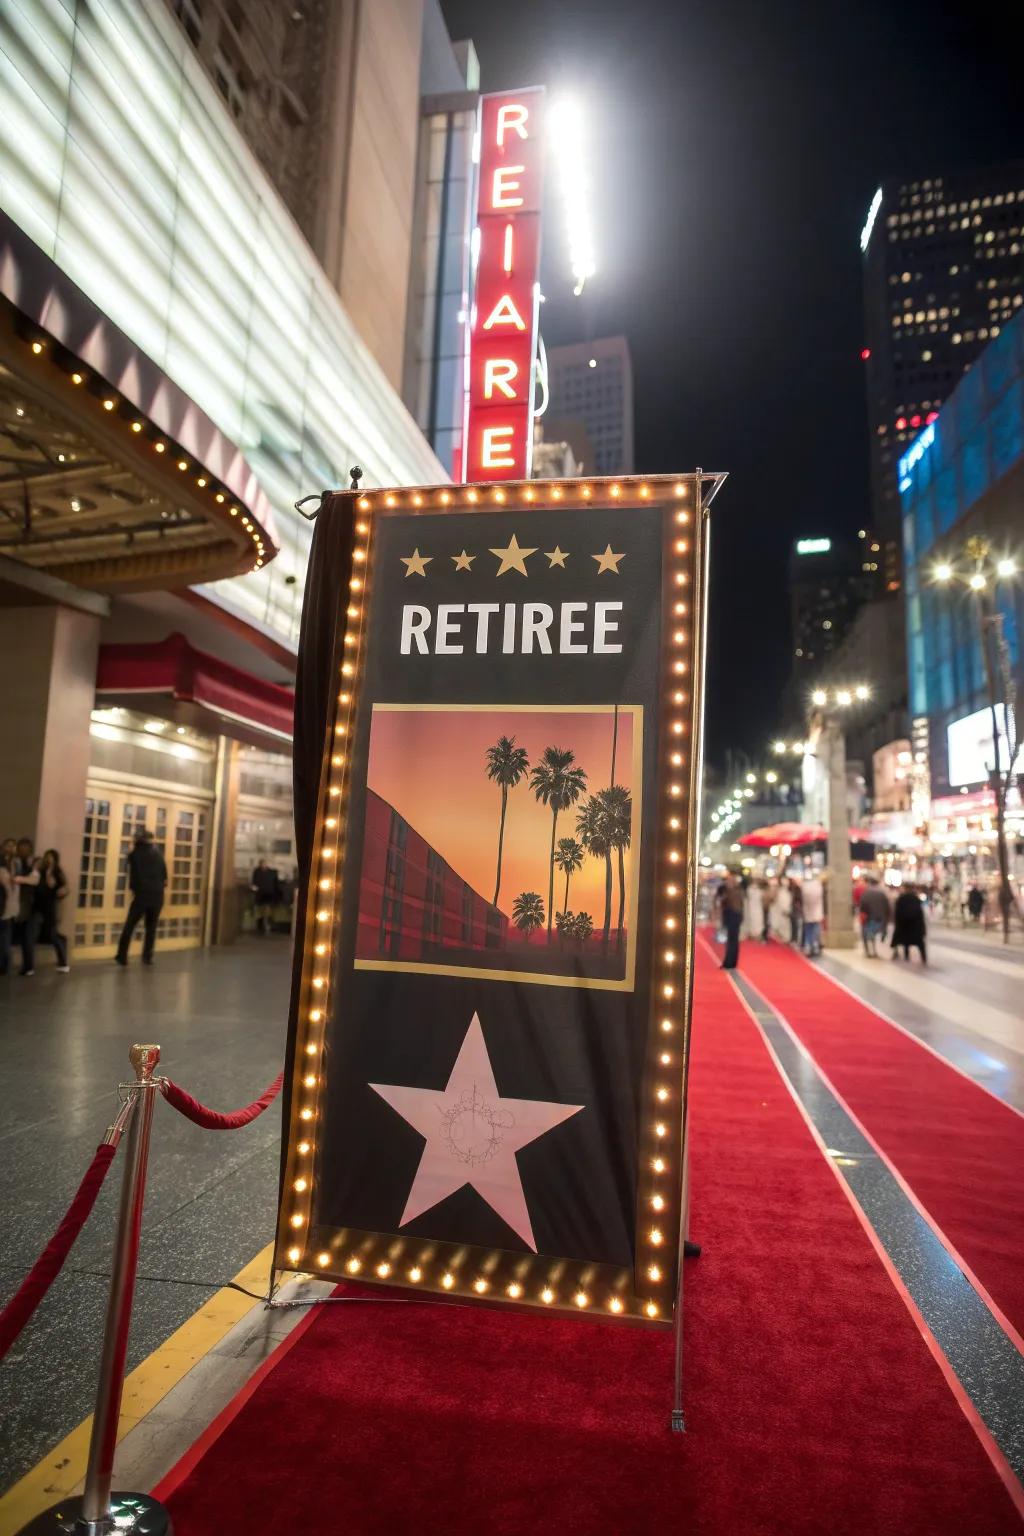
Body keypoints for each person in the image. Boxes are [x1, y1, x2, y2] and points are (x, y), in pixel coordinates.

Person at [115, 830, 167, 967]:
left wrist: (134, 889)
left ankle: (122, 955)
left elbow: (131, 874)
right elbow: (165, 878)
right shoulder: (158, 855)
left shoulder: (134, 854)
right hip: (157, 895)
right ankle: (147, 956)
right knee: (151, 927)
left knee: (130, 925)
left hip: (142, 895)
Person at [34, 849, 70, 971]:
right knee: (48, 933)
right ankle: (62, 961)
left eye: (51, 857)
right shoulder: (41, 870)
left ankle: (63, 962)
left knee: (53, 934)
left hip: (51, 906)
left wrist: (59, 889)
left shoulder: (57, 872)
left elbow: (61, 888)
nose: (48, 859)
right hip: (40, 906)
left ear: (55, 859)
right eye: (46, 857)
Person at [11, 836, 40, 976]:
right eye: (21, 848)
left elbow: (34, 880)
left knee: (27, 938)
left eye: (25, 848)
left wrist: (18, 879)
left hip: (29, 906)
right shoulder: (15, 862)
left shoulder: (34, 862)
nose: (23, 851)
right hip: (15, 904)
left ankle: (28, 967)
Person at [891, 883, 927, 963]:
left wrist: (897, 924)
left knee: (906, 942)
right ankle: (923, 958)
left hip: (904, 925)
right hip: (915, 926)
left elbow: (897, 913)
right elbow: (920, 914)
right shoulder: (916, 899)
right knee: (919, 943)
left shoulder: (901, 899)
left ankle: (906, 956)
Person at [858, 875, 891, 958]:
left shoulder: (866, 893)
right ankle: (874, 951)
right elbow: (887, 907)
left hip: (869, 918)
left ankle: (868, 951)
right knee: (874, 936)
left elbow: (862, 906)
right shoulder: (882, 893)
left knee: (866, 935)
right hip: (879, 919)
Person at [0, 840, 18, 976]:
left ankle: (4, 966)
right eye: (9, 845)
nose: (11, 848)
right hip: (4, 903)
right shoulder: (4, 862)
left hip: (7, 906)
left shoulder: (15, 863)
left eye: (13, 845)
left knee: (5, 937)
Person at [720, 872, 744, 970]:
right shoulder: (738, 891)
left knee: (731, 941)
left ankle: (729, 962)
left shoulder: (733, 892)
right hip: (735, 915)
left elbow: (727, 902)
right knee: (733, 940)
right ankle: (731, 962)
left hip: (733, 915)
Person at [250, 859, 281, 935]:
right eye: (262, 864)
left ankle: (265, 925)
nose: (263, 865)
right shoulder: (260, 872)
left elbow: (275, 884)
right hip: (263, 894)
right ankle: (263, 926)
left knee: (266, 910)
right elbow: (254, 882)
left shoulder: (268, 872)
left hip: (267, 894)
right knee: (261, 911)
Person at [801, 872, 825, 957]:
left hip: (808, 914)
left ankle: (810, 947)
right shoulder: (817, 887)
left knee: (809, 931)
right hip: (815, 914)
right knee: (815, 931)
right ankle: (814, 946)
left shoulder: (805, 888)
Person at [744, 877, 764, 944]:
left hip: (758, 908)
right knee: (752, 921)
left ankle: (757, 935)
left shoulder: (760, 890)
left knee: (758, 921)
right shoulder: (749, 889)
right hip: (751, 908)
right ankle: (752, 934)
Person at [788, 876, 803, 946]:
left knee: (795, 926)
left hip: (796, 910)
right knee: (794, 926)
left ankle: (795, 940)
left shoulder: (796, 891)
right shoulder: (792, 891)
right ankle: (794, 939)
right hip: (794, 910)